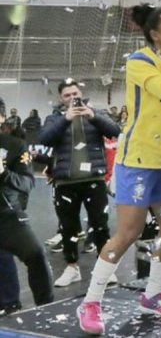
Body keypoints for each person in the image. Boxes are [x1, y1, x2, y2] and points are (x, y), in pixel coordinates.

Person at [76, 5, 161, 334]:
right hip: (138, 161)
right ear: (156, 34)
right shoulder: (140, 61)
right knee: (128, 234)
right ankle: (91, 301)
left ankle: (153, 294)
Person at [39, 79, 120, 288]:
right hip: (65, 182)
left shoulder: (95, 112)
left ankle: (106, 269)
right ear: (61, 99)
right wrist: (65, 119)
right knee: (68, 228)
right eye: (67, 95)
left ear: (80, 93)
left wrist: (93, 116)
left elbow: (114, 130)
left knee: (100, 226)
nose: (72, 98)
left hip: (94, 180)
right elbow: (45, 139)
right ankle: (72, 268)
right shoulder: (54, 118)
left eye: (75, 93)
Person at [0, 122, 54, 310]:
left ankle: (46, 307)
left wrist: (4, 174)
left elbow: (27, 182)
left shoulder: (14, 145)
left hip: (7, 215)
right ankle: (9, 305)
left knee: (36, 255)